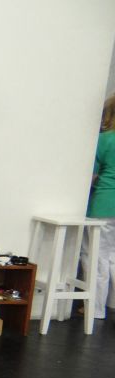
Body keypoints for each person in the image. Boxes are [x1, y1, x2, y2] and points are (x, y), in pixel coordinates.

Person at [83, 95, 115, 319]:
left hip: (104, 204)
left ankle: (94, 309)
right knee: (113, 255)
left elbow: (91, 176)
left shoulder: (105, 140)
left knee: (95, 256)